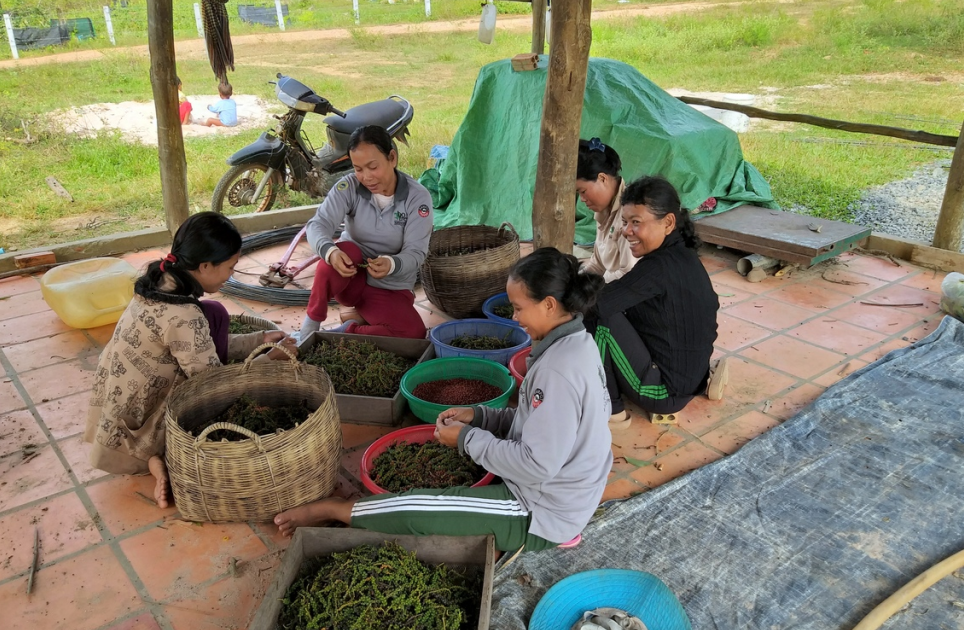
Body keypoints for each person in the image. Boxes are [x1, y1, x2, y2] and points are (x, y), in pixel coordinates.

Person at [274, 248, 613, 551]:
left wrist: (466, 439)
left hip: (542, 511)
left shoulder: (557, 372)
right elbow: (538, 424)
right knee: (469, 467)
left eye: (519, 308)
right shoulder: (576, 344)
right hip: (565, 491)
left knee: (426, 507)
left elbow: (536, 465)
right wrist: (480, 417)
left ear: (550, 305)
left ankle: (334, 508)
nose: (514, 318)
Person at [84, 212, 291, 508]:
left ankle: (154, 459)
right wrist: (271, 359)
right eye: (230, 267)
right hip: (141, 424)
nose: (231, 275)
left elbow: (193, 346)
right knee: (217, 403)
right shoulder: (184, 315)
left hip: (118, 409)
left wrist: (256, 341)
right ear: (205, 266)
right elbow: (212, 384)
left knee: (215, 313)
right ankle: (157, 458)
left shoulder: (158, 281)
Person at [587, 175, 728, 431]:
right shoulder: (681, 255)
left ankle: (612, 410)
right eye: (625, 222)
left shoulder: (658, 267)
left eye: (636, 223)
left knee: (598, 317)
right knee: (614, 306)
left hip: (663, 393)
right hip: (689, 378)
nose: (626, 231)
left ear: (668, 223)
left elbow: (598, 304)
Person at [297, 125, 433, 340]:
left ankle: (346, 333)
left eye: (373, 166)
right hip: (351, 279)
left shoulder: (417, 198)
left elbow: (416, 253)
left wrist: (392, 263)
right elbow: (318, 225)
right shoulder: (348, 187)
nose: (366, 177)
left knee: (413, 334)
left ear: (392, 158)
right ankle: (309, 328)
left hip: (390, 287)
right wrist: (331, 252)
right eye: (358, 169)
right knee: (344, 250)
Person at [576, 137, 636, 283]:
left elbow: (628, 274)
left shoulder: (629, 214)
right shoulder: (604, 210)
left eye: (583, 191)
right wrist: (575, 282)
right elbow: (597, 265)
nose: (582, 199)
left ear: (602, 178)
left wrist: (589, 292)